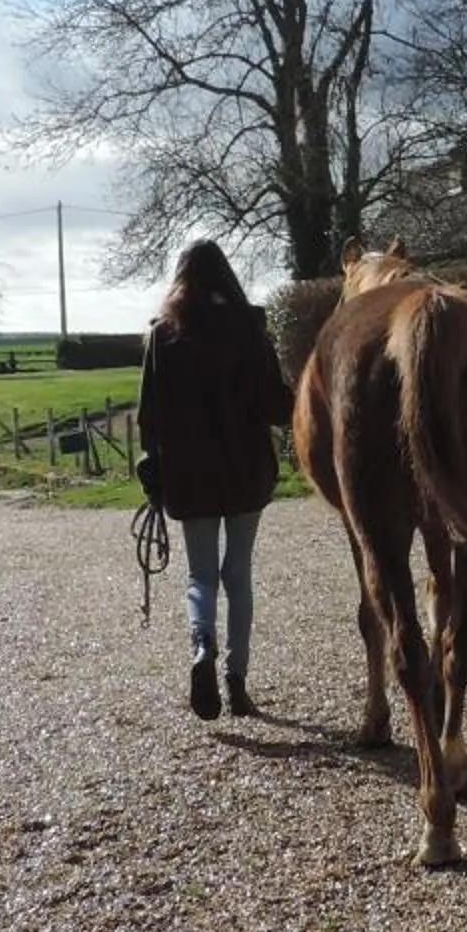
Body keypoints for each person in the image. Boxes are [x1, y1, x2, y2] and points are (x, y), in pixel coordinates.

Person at [137, 240, 290, 720]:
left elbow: (148, 418)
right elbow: (275, 406)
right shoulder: (250, 328)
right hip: (245, 471)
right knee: (237, 575)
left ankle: (201, 647)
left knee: (201, 576)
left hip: (192, 475)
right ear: (226, 277)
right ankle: (236, 679)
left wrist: (154, 473)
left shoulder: (163, 336)